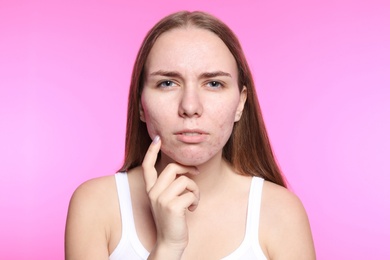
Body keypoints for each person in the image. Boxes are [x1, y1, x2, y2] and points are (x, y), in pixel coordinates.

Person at [65, 11, 315, 260]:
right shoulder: (96, 205)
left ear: (240, 103)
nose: (190, 106)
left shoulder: (281, 213)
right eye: (167, 83)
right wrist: (168, 247)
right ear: (141, 105)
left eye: (214, 83)